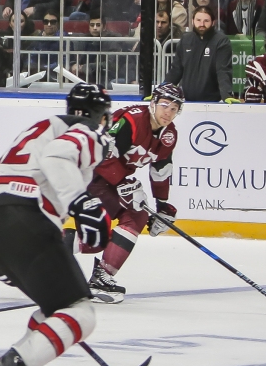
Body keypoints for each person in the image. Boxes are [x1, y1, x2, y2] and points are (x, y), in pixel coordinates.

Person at [0, 83, 112, 366]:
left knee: (56, 307)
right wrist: (83, 204)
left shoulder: (42, 128)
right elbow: (58, 159)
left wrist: (5, 253)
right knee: (81, 313)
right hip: (25, 215)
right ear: (99, 115)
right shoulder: (88, 130)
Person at [70, 83, 183, 303]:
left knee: (98, 238)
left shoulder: (169, 135)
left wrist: (162, 206)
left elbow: (160, 170)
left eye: (174, 108)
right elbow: (102, 154)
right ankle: (101, 277)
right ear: (153, 103)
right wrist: (124, 183)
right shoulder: (132, 121)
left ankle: (39, 247)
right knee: (133, 216)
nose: (168, 112)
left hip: (105, 181)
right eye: (164, 105)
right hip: (89, 174)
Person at [165, 6, 237, 102]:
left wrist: (226, 95)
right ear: (192, 21)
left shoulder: (221, 41)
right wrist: (162, 92)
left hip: (213, 102)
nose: (202, 24)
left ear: (213, 23)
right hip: (187, 101)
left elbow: (223, 70)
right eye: (198, 20)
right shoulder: (185, 40)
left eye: (206, 21)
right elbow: (176, 70)